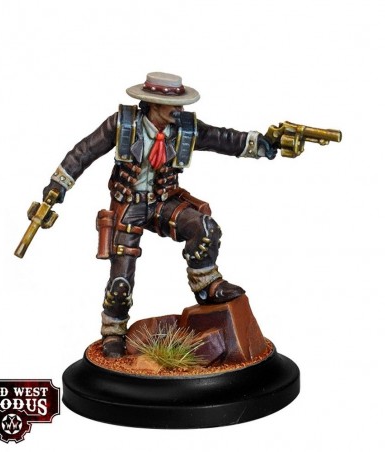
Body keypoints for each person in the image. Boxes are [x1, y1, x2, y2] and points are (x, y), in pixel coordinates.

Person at [43, 72, 277, 357]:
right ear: (153, 104)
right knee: (120, 280)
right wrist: (58, 185)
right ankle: (113, 332)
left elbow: (222, 139)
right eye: (173, 105)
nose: (179, 110)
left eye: (180, 105)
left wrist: (260, 143)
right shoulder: (123, 124)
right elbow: (84, 152)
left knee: (204, 228)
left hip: (163, 202)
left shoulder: (184, 129)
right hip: (127, 206)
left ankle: (206, 285)